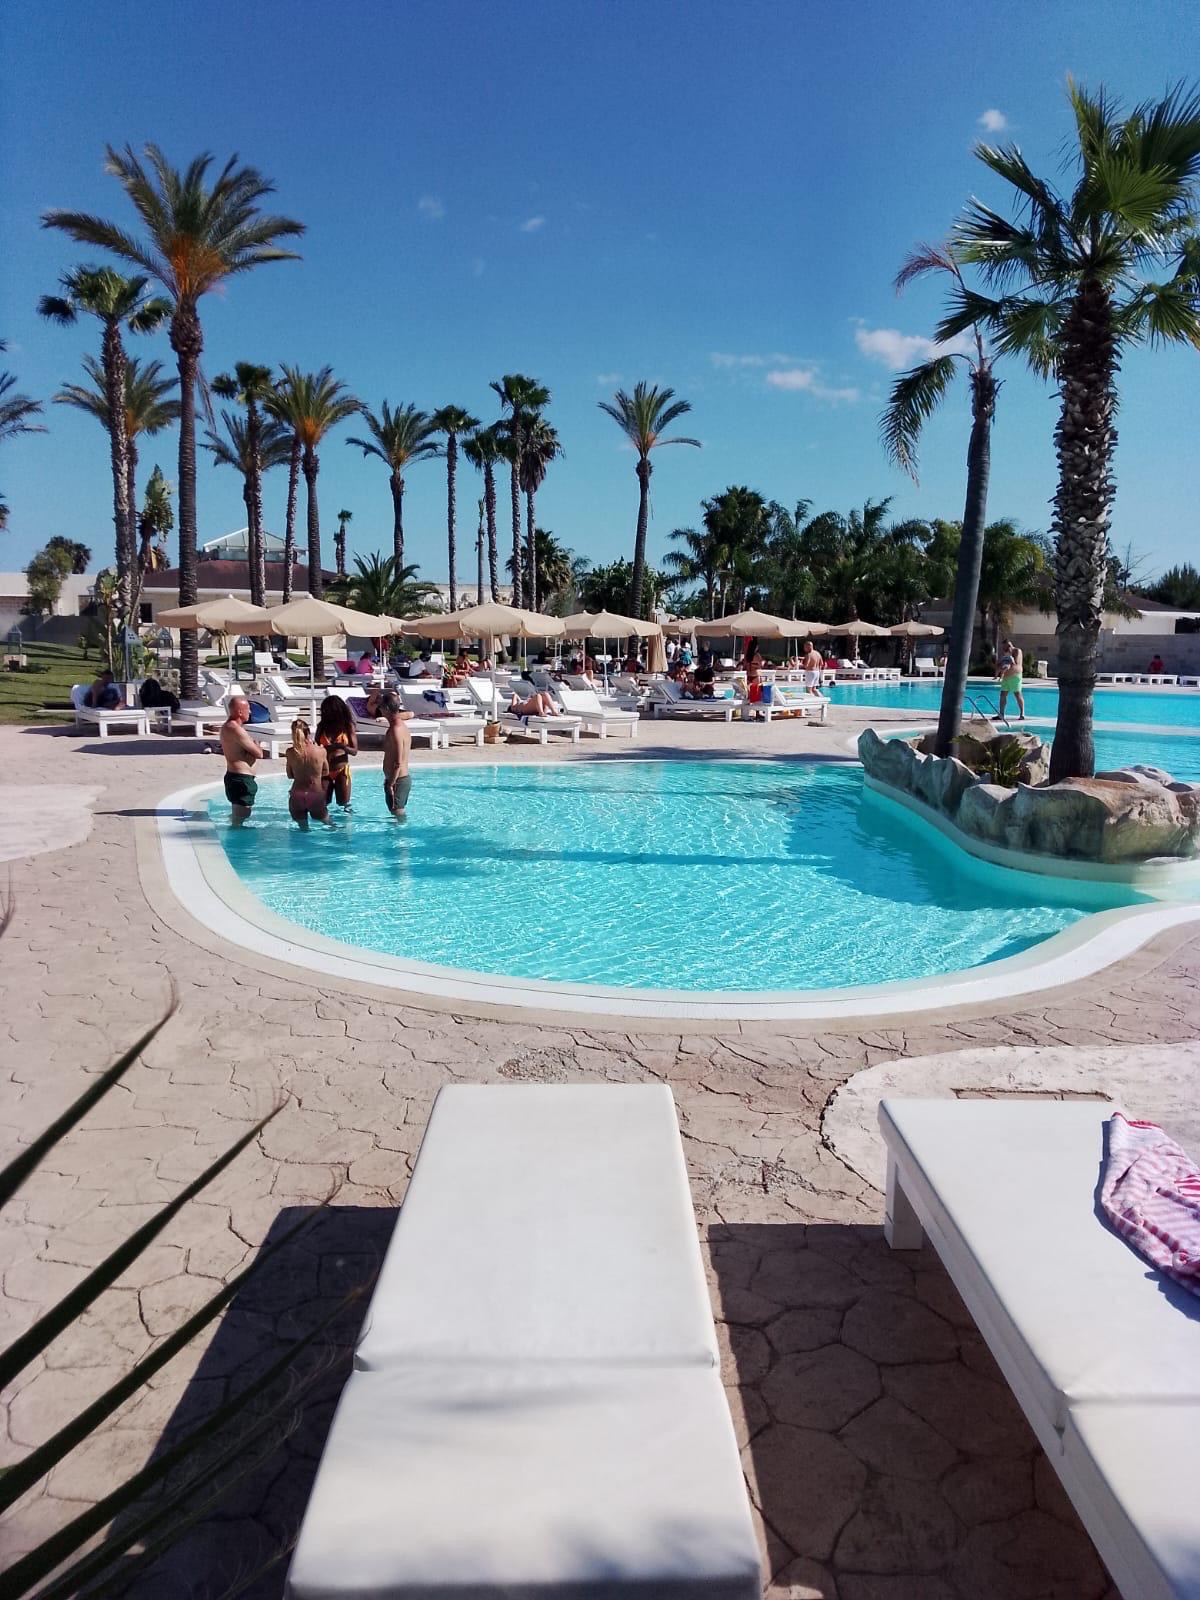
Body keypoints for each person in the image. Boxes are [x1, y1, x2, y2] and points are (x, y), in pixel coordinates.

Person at [219, 696, 263, 826]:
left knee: (239, 816)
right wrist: (256, 745)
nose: (250, 712)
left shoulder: (229, 727)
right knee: (241, 817)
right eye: (248, 709)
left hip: (237, 777)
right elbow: (259, 753)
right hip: (241, 778)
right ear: (239, 711)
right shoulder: (235, 729)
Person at [285, 719, 332, 830]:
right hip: (315, 793)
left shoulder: (290, 752)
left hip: (297, 794)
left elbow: (290, 775)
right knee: (329, 825)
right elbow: (326, 772)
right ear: (308, 733)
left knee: (303, 829)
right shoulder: (321, 751)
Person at [316, 694, 358, 812]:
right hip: (325, 770)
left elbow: (354, 751)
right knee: (323, 803)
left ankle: (347, 823)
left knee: (344, 804)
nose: (325, 713)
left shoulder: (348, 726)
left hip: (342, 770)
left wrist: (341, 746)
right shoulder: (322, 726)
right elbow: (317, 746)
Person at [379, 691, 413, 818]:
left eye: (381, 706)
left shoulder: (396, 730)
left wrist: (391, 784)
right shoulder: (399, 725)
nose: (379, 709)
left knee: (398, 815)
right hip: (396, 779)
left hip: (397, 780)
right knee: (396, 816)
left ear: (387, 709)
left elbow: (398, 762)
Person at [997, 638, 1025, 720]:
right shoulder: (1005, 653)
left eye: (1005, 647)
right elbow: (1001, 663)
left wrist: (1009, 657)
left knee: (1017, 694)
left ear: (1009, 645)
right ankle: (1001, 714)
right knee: (1003, 694)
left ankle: (1022, 713)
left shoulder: (1017, 651)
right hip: (1006, 676)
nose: (1003, 648)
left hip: (1015, 676)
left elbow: (1015, 663)